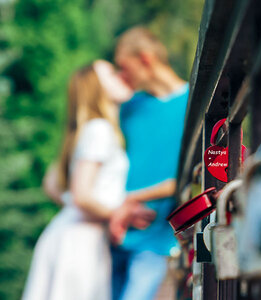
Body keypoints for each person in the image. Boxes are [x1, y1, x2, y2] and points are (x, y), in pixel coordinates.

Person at [22, 60, 150, 300]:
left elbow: (51, 185)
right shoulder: (99, 130)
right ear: (96, 87)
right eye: (111, 73)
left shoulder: (88, 129)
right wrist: (118, 213)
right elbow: (81, 195)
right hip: (78, 243)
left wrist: (81, 206)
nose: (120, 76)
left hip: (76, 235)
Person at [109, 27, 189, 300]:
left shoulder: (196, 104)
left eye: (123, 66)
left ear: (145, 59)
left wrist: (129, 199)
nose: (122, 75)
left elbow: (189, 174)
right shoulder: (129, 107)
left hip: (156, 240)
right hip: (115, 234)